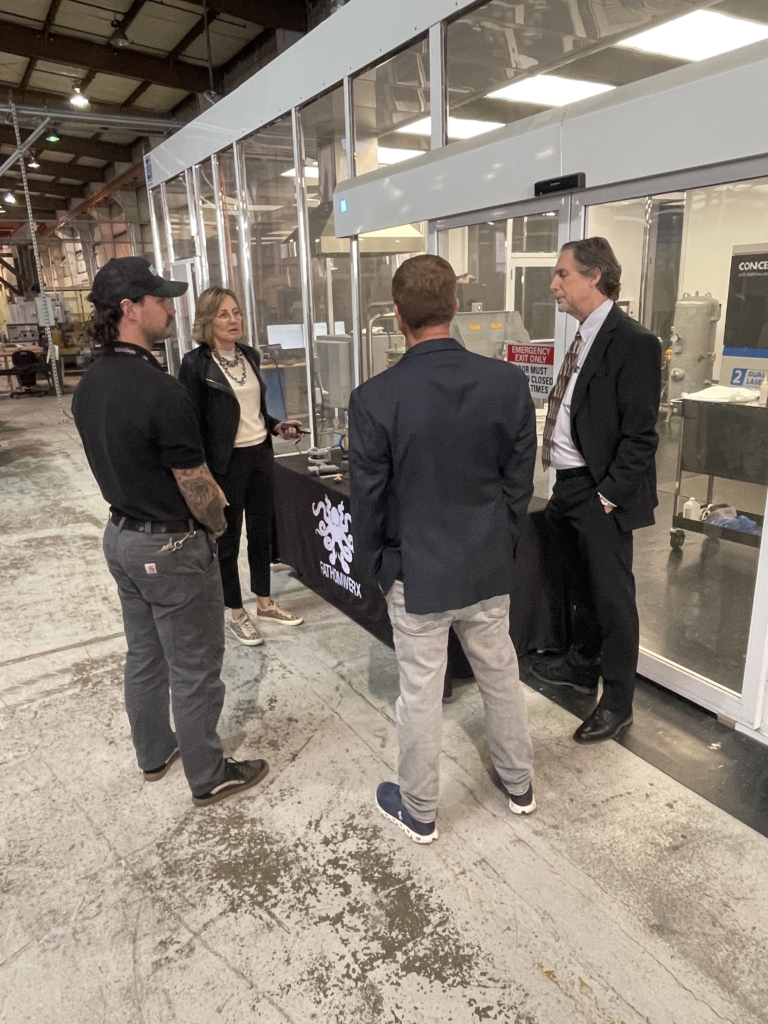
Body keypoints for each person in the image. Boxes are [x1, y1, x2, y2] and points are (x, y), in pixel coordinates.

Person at [349, 254, 537, 845]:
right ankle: (520, 784)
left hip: (416, 571)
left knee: (421, 694)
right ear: (456, 306)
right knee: (500, 674)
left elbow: (369, 500)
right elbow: (519, 482)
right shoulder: (506, 382)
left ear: (397, 316)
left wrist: (378, 568)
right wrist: (499, 540)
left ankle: (420, 810)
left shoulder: (375, 397)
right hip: (485, 563)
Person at [72, 257, 269, 807]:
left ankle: (154, 753)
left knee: (144, 655)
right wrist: (217, 531)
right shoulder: (161, 391)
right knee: (196, 668)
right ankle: (209, 774)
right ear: (129, 310)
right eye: (161, 300)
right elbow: (197, 485)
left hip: (122, 538)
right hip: (171, 547)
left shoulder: (90, 384)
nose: (171, 307)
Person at [532, 237, 662, 744]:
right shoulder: (585, 333)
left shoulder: (632, 341)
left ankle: (619, 701)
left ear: (595, 276)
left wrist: (608, 496)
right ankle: (582, 667)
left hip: (597, 492)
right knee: (580, 590)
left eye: (562, 274)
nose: (554, 284)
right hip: (567, 484)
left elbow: (641, 435)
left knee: (612, 599)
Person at [178, 287, 305, 647]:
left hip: (260, 455)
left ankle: (264, 602)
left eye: (236, 312)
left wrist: (276, 425)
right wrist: (203, 475)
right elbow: (191, 425)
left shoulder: (249, 355)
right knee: (229, 541)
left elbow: (254, 412)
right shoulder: (195, 364)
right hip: (225, 464)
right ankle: (236, 612)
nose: (233, 320)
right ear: (207, 320)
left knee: (261, 533)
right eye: (223, 314)